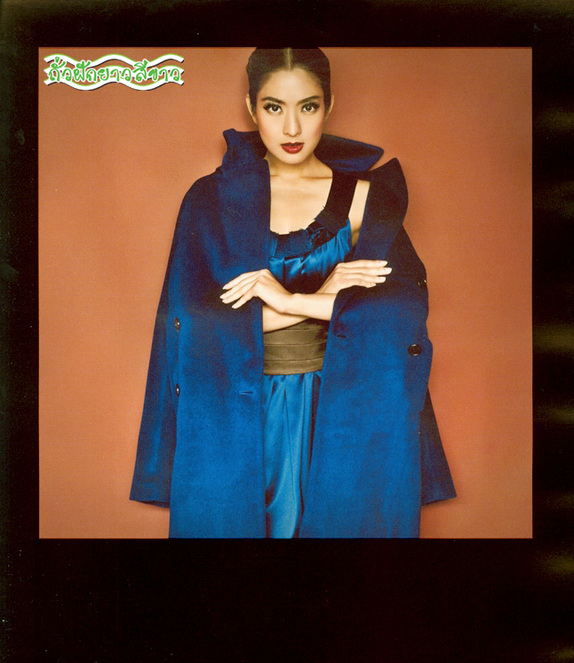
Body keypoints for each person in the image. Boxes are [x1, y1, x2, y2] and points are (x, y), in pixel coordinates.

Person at [130, 48, 456, 538]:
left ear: (329, 106)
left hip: (339, 404)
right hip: (238, 405)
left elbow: (399, 317)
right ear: (250, 107)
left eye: (308, 106)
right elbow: (196, 331)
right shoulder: (210, 199)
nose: (291, 128)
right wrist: (325, 298)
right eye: (273, 107)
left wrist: (288, 301)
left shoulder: (362, 199)